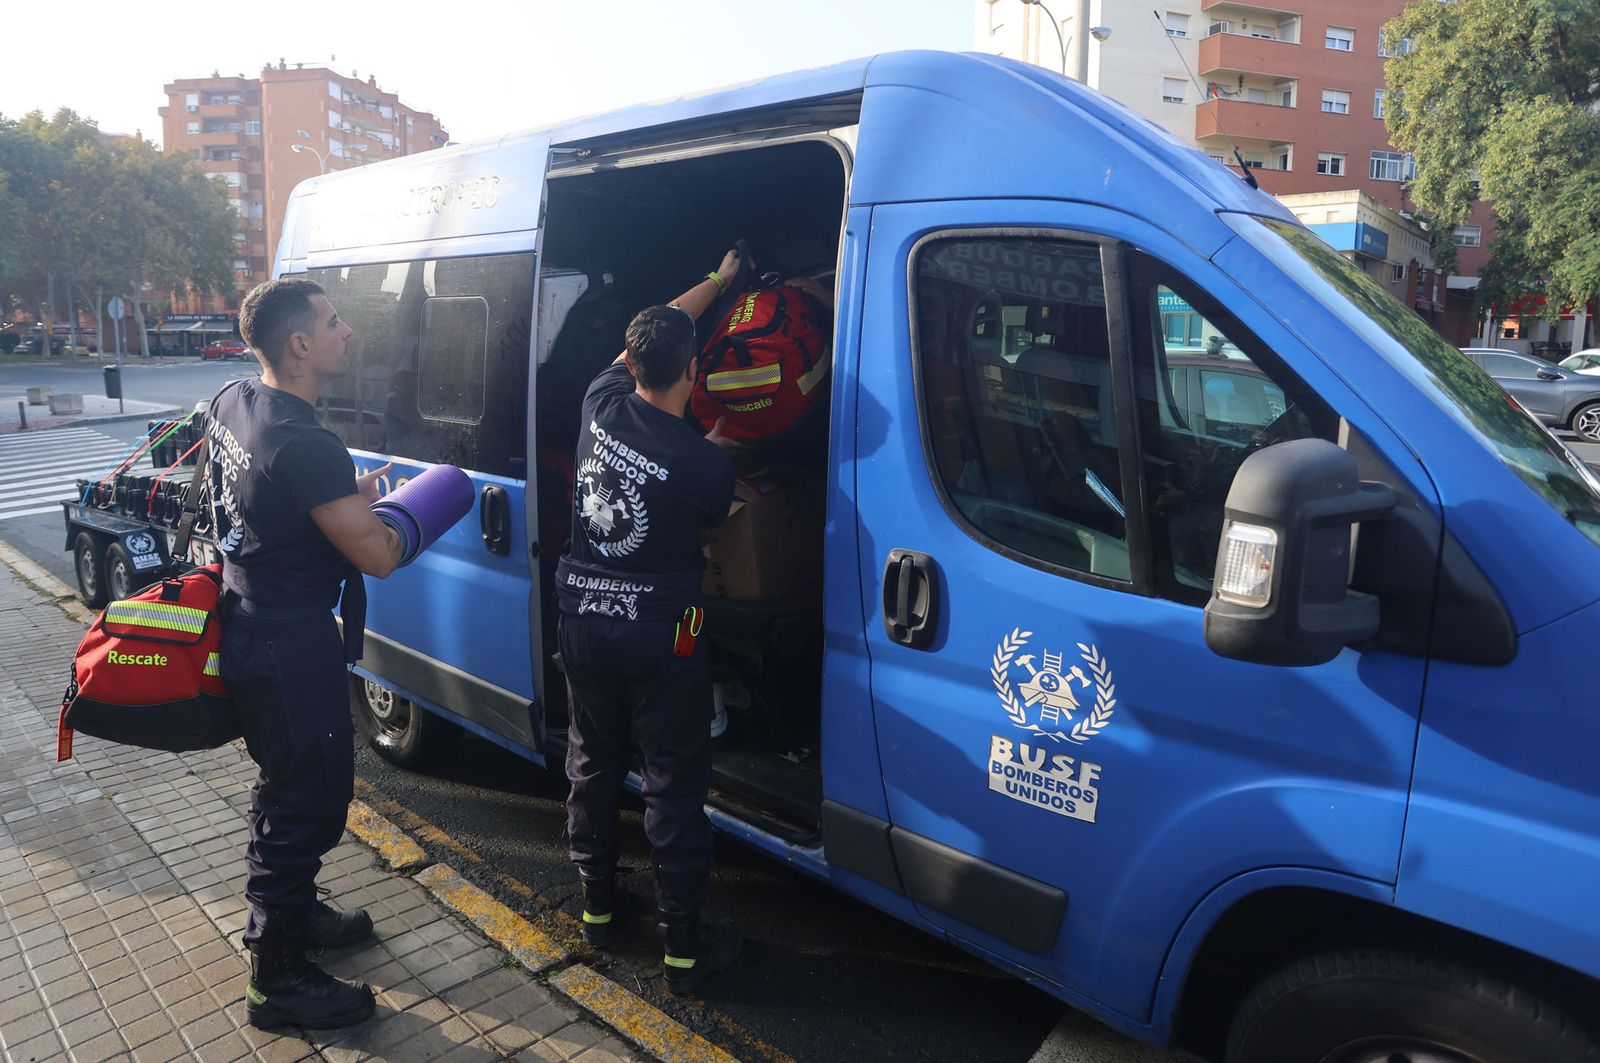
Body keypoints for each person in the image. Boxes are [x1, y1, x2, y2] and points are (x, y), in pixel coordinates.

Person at [211, 278, 407, 1031]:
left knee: (286, 779)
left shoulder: (237, 399)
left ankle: (296, 910)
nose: (348, 332)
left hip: (250, 619)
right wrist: (397, 512)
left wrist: (338, 495)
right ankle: (277, 975)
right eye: (334, 322)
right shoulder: (305, 441)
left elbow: (267, 491)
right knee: (309, 797)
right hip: (288, 642)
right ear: (300, 345)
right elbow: (382, 556)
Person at [559, 250, 743, 994]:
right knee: (672, 779)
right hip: (659, 629)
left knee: (593, 761)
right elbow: (704, 531)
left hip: (583, 615)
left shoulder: (600, 399)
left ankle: (599, 908)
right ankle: (683, 946)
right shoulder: (706, 465)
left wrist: (715, 283)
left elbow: (665, 326)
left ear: (630, 362)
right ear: (694, 371)